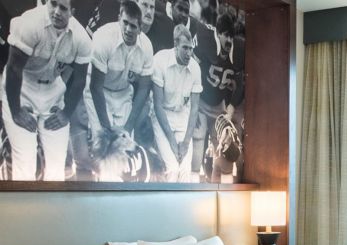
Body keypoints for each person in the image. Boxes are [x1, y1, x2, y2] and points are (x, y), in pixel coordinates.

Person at [2, 0, 92, 181]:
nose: (57, 12)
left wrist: (66, 113)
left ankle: (53, 209)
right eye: (53, 4)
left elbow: (80, 80)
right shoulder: (30, 23)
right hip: (22, 90)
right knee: (25, 166)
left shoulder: (81, 37)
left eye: (63, 8)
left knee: (57, 171)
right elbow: (13, 70)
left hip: (53, 92)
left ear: (72, 12)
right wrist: (16, 110)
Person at [83, 1, 153, 140]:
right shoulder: (103, 37)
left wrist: (128, 126)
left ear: (140, 29)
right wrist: (107, 127)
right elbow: (95, 87)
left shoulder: (146, 46)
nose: (128, 29)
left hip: (123, 94)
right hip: (99, 91)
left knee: (124, 143)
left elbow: (144, 89)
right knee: (102, 141)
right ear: (118, 19)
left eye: (133, 26)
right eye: (125, 23)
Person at [191, 12, 243, 182]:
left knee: (223, 147)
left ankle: (220, 186)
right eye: (225, 35)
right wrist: (194, 102)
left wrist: (230, 108)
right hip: (202, 101)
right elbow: (193, 68)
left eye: (231, 36)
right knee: (198, 140)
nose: (229, 40)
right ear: (218, 34)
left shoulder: (239, 50)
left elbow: (240, 84)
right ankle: (193, 182)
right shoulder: (206, 40)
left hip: (219, 105)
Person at [151, 23, 201, 182]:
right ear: (175, 45)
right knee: (172, 168)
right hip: (162, 115)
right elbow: (157, 105)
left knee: (185, 170)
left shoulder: (195, 67)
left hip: (182, 117)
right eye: (185, 48)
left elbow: (194, 108)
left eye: (191, 48)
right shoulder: (160, 59)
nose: (189, 53)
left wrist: (186, 141)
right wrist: (173, 142)